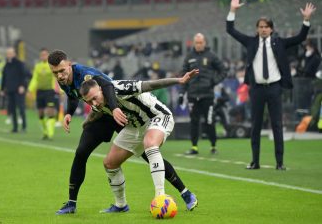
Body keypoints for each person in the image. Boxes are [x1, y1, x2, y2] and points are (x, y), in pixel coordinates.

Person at [47, 50, 198, 214]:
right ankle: (111, 205)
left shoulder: (92, 78)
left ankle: (171, 196)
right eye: (55, 72)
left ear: (69, 65)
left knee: (149, 149)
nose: (60, 75)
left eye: (62, 71)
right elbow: (76, 97)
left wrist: (179, 80)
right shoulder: (68, 84)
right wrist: (76, 115)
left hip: (144, 115)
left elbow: (119, 85)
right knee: (103, 160)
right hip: (127, 120)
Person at [79, 69, 199, 213]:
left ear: (100, 88)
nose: (94, 102)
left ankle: (160, 197)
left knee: (150, 144)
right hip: (135, 127)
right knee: (110, 163)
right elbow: (95, 112)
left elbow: (151, 85)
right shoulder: (96, 103)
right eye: (89, 101)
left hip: (157, 117)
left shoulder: (121, 87)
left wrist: (178, 80)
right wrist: (85, 123)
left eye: (95, 97)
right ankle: (121, 205)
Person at [226, 0, 316, 170]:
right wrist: (232, 11)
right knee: (256, 126)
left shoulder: (279, 43)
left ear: (272, 29)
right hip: (257, 89)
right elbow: (231, 30)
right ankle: (255, 162)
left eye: (266, 27)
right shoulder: (251, 42)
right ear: (257, 29)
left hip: (274, 88)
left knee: (276, 125)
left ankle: (280, 163)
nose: (263, 29)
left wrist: (306, 20)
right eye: (260, 27)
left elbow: (299, 38)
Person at [178, 33, 228, 155]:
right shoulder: (189, 57)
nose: (199, 45)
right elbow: (184, 77)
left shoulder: (211, 56)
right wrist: (181, 94)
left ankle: (213, 146)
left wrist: (214, 81)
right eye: (196, 43)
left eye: (201, 42)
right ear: (194, 43)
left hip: (208, 95)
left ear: (205, 43)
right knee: (194, 122)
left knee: (209, 121)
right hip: (192, 95)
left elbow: (223, 71)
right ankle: (194, 147)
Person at [28, 48, 58, 140]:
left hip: (49, 91)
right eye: (42, 55)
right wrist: (30, 90)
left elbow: (56, 78)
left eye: (45, 54)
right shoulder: (37, 66)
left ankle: (50, 133)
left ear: (48, 56)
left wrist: (60, 90)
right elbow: (34, 79)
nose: (43, 56)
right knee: (40, 113)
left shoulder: (53, 66)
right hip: (40, 91)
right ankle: (45, 132)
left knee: (50, 111)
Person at [0, 47, 27, 133]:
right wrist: (2, 88)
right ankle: (15, 128)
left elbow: (23, 75)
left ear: (14, 53)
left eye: (10, 53)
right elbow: (4, 77)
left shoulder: (19, 63)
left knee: (21, 108)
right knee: (12, 109)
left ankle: (24, 127)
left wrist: (22, 86)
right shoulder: (6, 65)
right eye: (8, 53)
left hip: (19, 90)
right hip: (10, 90)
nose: (9, 55)